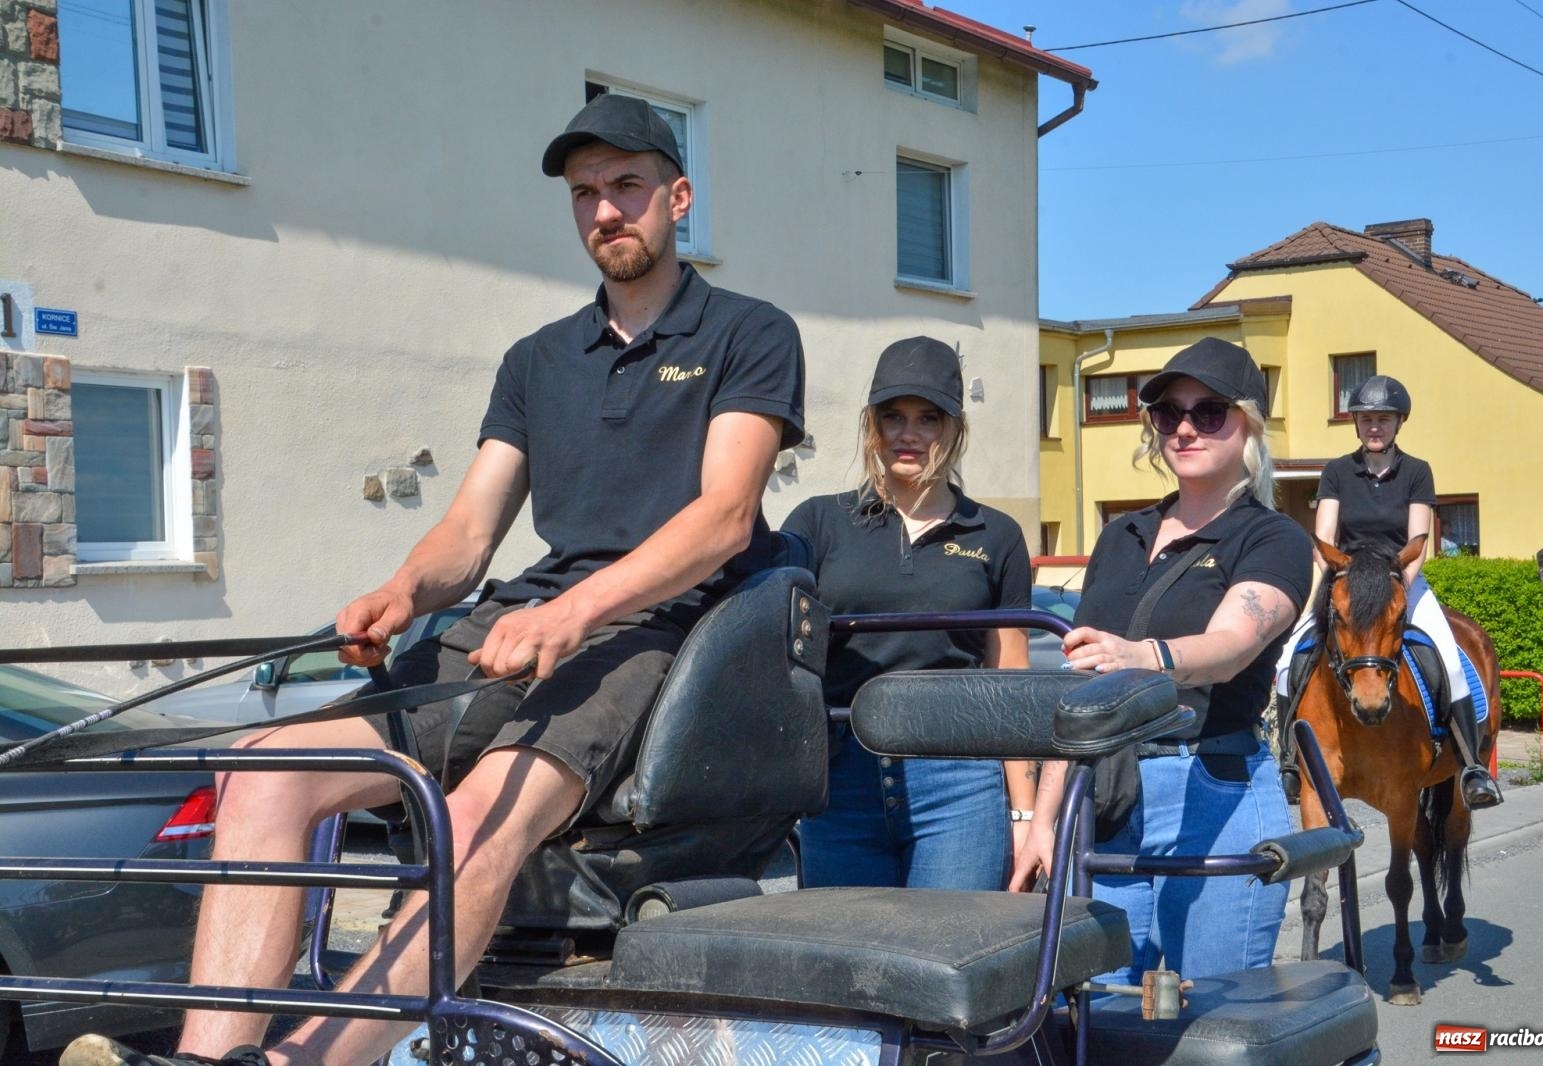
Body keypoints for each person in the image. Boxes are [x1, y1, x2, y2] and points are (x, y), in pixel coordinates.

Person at [62, 92, 804, 1066]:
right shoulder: (537, 361)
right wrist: (405, 591)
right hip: (521, 619)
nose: (604, 210)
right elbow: (468, 530)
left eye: (626, 185)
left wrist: (575, 611)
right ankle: (208, 1059)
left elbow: (724, 518)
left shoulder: (749, 333)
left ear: (679, 197)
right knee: (263, 765)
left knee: (471, 820)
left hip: (652, 631)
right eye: (584, 193)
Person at [1009, 337, 1310, 986]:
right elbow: (1080, 688)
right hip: (1107, 792)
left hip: (1213, 786)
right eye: (1169, 412)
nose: (1185, 428)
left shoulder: (1273, 537)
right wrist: (1042, 820)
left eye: (1209, 412)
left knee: (1216, 1012)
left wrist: (1141, 655)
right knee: (1093, 1010)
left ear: (1250, 425)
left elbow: (1231, 647)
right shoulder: (1121, 536)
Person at [781, 337, 1032, 890]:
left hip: (960, 782)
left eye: (928, 418)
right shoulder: (818, 523)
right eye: (893, 416)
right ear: (872, 424)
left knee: (952, 940)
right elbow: (781, 654)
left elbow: (1010, 677)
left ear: (955, 428)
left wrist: (1025, 813)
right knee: (846, 941)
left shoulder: (996, 535)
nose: (908, 434)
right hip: (840, 778)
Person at [1304, 375, 1498, 807]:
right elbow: (1324, 538)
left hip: (1399, 580)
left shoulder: (1416, 471)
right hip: (1346, 583)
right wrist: (1338, 581)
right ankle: (1287, 762)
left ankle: (1472, 767)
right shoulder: (1336, 471)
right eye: (1367, 419)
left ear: (1399, 423)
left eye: (1384, 419)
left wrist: (1394, 592)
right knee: (1288, 658)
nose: (1375, 426)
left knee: (1449, 659)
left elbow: (1417, 542)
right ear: (1356, 424)